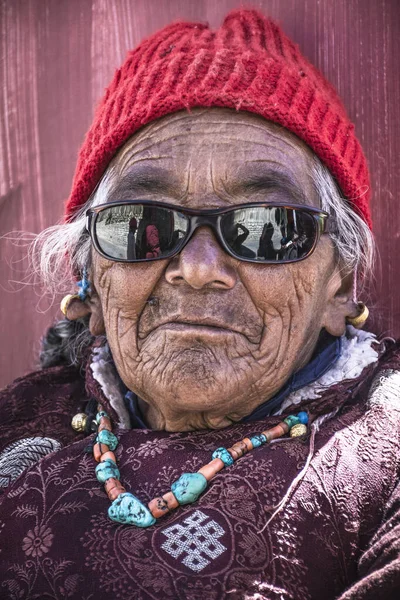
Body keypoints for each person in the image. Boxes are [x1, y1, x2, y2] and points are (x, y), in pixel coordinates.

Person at [0, 9, 399, 600]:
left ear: (337, 287)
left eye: (266, 227)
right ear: (89, 277)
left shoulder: (384, 451)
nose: (198, 269)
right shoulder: (19, 425)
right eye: (143, 225)